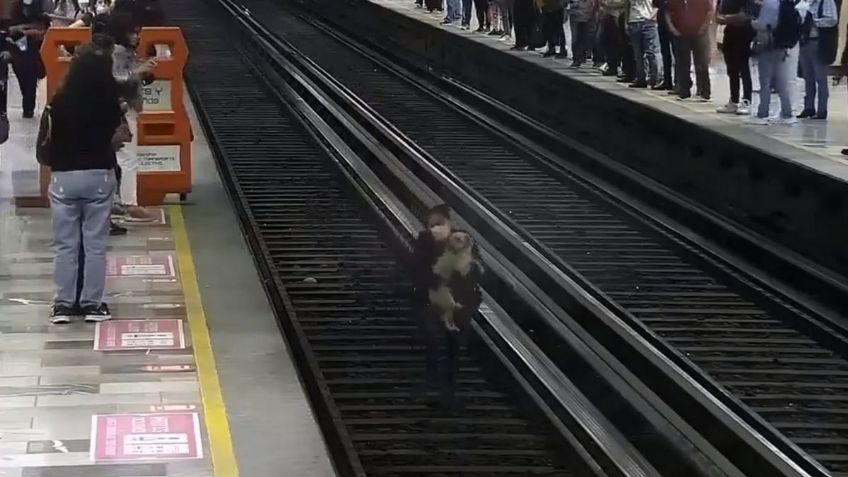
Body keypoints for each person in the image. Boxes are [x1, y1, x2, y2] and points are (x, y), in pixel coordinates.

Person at [46, 46, 122, 323]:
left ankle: (63, 305)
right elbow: (118, 135)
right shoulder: (107, 101)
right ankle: (93, 304)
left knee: (65, 245)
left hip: (64, 177)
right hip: (98, 176)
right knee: (95, 244)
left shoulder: (60, 100)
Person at [412, 205, 483, 408]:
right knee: (433, 341)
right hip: (435, 299)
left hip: (461, 302)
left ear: (449, 223)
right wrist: (435, 284)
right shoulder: (425, 240)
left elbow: (477, 271)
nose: (435, 228)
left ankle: (448, 390)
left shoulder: (465, 239)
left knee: (453, 344)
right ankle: (431, 386)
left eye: (439, 224)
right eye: (431, 224)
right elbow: (417, 267)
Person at [107, 11, 156, 222]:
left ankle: (119, 201)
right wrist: (139, 71)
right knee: (128, 157)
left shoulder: (125, 51)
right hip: (123, 110)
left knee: (122, 157)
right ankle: (130, 203)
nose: (137, 36)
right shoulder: (118, 52)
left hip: (125, 108)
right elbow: (115, 78)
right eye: (133, 33)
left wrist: (141, 70)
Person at [748, 0, 800, 124]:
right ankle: (787, 113)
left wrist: (752, 23)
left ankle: (763, 113)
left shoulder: (768, 4)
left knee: (765, 80)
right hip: (782, 45)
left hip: (768, 44)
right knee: (781, 81)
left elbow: (762, 24)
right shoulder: (785, 4)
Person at [5, 0, 53, 119]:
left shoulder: (42, 4)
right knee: (23, 76)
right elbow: (9, 28)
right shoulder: (14, 6)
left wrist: (26, 31)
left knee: (29, 77)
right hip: (17, 45)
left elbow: (44, 27)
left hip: (33, 46)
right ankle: (28, 104)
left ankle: (28, 107)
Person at [796, 0, 837, 119]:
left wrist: (813, 22)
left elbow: (832, 20)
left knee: (820, 78)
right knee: (808, 77)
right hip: (805, 42)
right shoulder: (803, 3)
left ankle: (822, 110)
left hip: (819, 43)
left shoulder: (826, 2)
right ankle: (809, 108)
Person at [666, 0, 713, 100]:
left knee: (702, 63)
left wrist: (704, 26)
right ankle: (684, 91)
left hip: (700, 34)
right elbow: (668, 13)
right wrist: (672, 28)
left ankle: (704, 91)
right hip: (681, 34)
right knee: (683, 63)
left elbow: (709, 11)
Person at [715, 0, 755, 114]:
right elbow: (718, 15)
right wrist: (729, 18)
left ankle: (747, 99)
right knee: (731, 69)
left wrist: (728, 18)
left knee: (743, 68)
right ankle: (734, 99)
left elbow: (746, 16)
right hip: (729, 32)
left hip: (743, 33)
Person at [627, 0, 661, 87]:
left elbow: (658, 5)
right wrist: (626, 22)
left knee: (652, 52)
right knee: (638, 54)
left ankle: (655, 78)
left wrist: (652, 17)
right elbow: (627, 5)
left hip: (648, 22)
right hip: (633, 21)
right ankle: (640, 78)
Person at [654, 0, 675, 89]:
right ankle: (667, 80)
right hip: (662, 21)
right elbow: (655, 3)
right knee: (665, 53)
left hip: (676, 21)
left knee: (678, 54)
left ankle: (679, 82)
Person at [570, 0, 597, 65]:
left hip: (585, 16)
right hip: (576, 16)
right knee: (576, 38)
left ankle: (581, 56)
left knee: (583, 37)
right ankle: (577, 57)